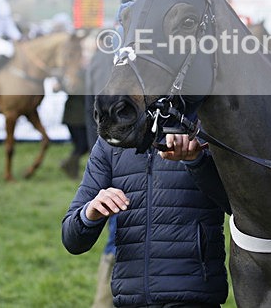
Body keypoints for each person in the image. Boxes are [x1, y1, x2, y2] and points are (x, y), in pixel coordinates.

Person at [61, 126, 229, 307]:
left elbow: (241, 208)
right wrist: (89, 213)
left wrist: (196, 161)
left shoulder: (207, 129)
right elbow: (72, 241)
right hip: (130, 298)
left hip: (193, 297)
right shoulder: (111, 140)